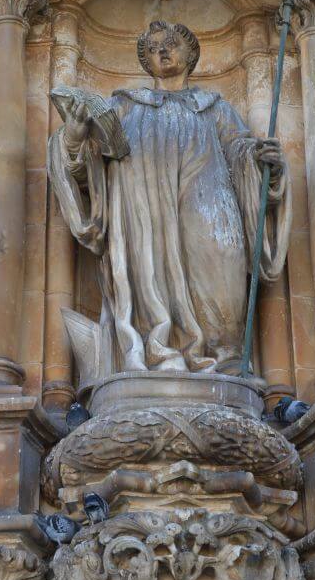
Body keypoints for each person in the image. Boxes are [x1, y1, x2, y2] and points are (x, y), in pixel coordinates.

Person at [48, 19, 291, 375]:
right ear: (145, 61)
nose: (161, 51)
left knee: (221, 258)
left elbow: (239, 151)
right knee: (151, 276)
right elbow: (89, 166)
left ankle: (226, 357)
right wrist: (74, 136)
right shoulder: (124, 106)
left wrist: (260, 160)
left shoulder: (215, 108)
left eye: (171, 43)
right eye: (152, 48)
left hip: (207, 196)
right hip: (145, 211)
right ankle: (159, 353)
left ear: (191, 53)